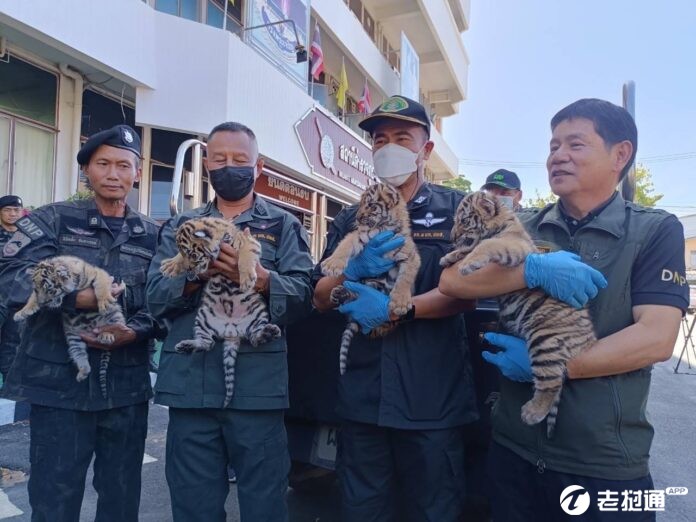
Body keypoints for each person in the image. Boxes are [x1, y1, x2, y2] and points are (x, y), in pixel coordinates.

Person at [440, 98, 688, 521]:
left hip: (603, 462)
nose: (558, 156)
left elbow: (656, 338)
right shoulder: (526, 225)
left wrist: (553, 367)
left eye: (575, 144)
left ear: (620, 154)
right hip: (513, 447)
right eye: (553, 145)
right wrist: (531, 269)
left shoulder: (654, 230)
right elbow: (454, 280)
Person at [313, 95, 478, 521]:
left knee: (432, 511)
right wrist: (348, 277)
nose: (389, 147)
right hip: (363, 399)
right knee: (362, 510)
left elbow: (467, 291)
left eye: (402, 137)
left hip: (431, 403)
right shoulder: (351, 218)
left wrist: (397, 310)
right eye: (380, 139)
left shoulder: (456, 210)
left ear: (425, 150)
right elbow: (319, 296)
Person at [146, 121, 314, 522]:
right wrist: (194, 276)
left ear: (258, 169)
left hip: (257, 391)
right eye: (220, 159)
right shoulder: (179, 227)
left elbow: (305, 298)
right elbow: (152, 296)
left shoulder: (283, 225)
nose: (229, 166)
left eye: (240, 160)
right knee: (193, 507)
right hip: (191, 389)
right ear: (206, 165)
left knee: (265, 505)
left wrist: (261, 278)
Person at [0, 124, 161, 522]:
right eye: (102, 163)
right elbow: (12, 278)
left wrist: (135, 331)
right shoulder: (51, 222)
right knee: (55, 499)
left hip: (126, 390)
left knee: (121, 501)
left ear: (137, 173)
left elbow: (164, 303)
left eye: (123, 165)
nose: (113, 173)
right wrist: (74, 297)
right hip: (60, 390)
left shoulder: (154, 236)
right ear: (86, 171)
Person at [0, 195, 24, 385]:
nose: (13, 214)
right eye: (8, 210)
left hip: (17, 297)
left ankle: (8, 387)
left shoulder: (28, 237)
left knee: (13, 342)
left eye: (16, 210)